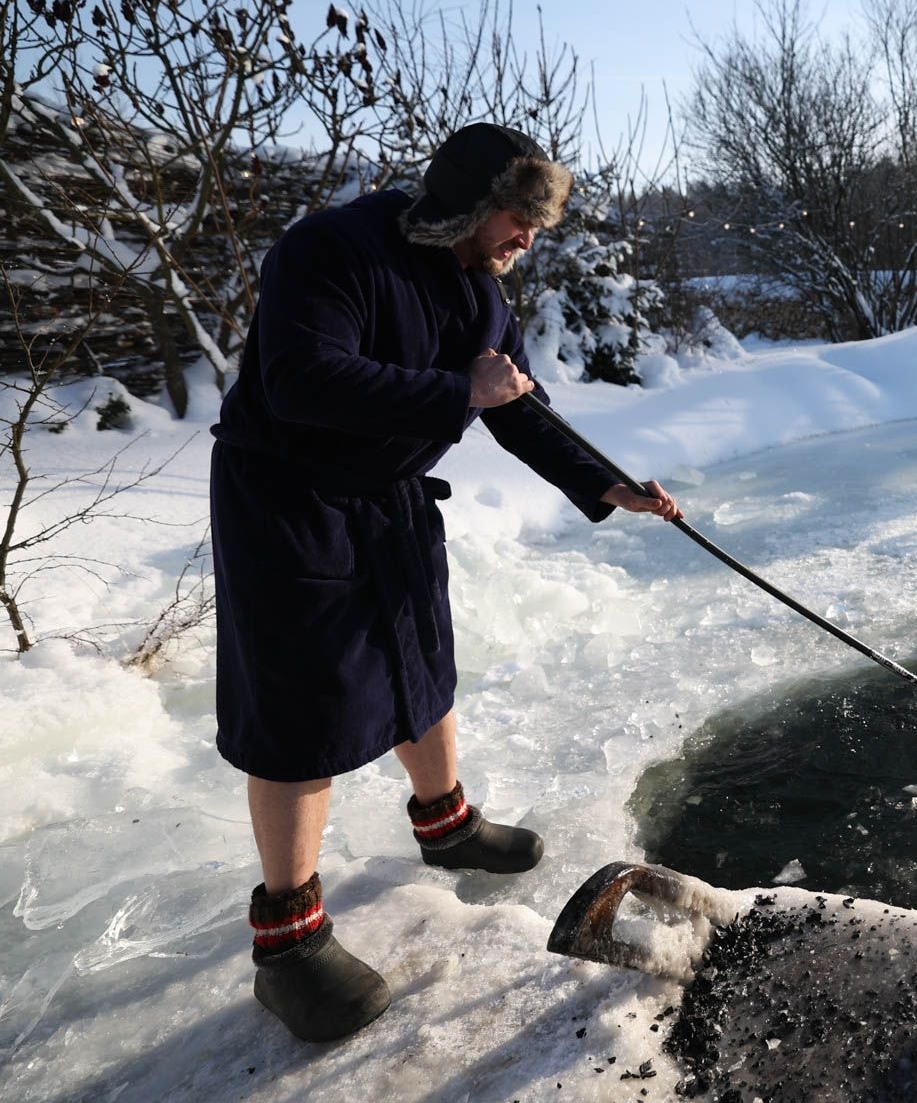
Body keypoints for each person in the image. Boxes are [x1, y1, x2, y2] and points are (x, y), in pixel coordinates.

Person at [210, 122, 683, 1043]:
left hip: (388, 500)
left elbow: (518, 401)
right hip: (289, 504)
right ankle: (290, 945)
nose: (526, 241)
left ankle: (447, 824)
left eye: (537, 227)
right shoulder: (331, 250)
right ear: (468, 204)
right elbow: (302, 380)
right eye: (517, 218)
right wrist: (460, 393)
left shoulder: (478, 286)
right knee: (301, 720)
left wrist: (604, 480)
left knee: (423, 665)